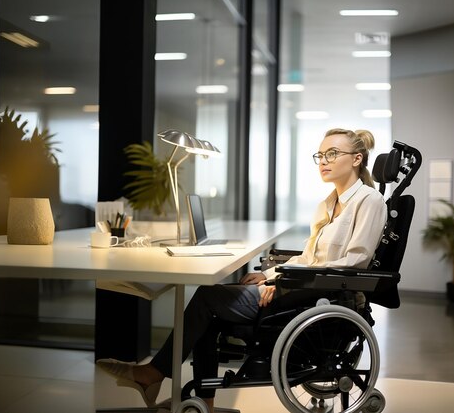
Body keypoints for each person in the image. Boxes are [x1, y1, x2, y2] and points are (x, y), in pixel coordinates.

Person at [97, 128, 388, 412]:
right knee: (210, 305)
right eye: (320, 154)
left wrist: (287, 283)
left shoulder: (369, 201)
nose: (323, 161)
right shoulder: (328, 204)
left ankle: (153, 375)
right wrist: (271, 275)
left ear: (356, 159)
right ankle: (202, 400)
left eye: (332, 153)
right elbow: (309, 258)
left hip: (314, 294)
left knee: (207, 298)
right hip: (303, 287)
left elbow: (353, 264)